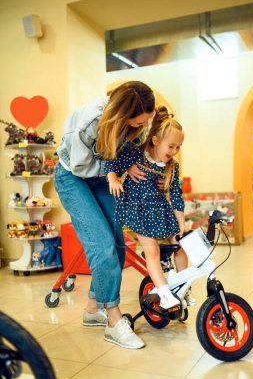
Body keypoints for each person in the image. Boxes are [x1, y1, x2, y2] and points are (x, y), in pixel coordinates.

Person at [54, 81, 156, 350]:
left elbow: (122, 154)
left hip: (101, 177)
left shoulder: (135, 123)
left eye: (146, 122)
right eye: (136, 123)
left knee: (118, 245)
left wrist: (128, 163)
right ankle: (113, 320)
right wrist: (115, 167)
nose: (139, 128)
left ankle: (92, 308)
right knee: (102, 246)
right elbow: (81, 166)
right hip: (73, 178)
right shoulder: (90, 122)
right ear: (123, 115)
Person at [105, 105, 196, 309]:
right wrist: (113, 178)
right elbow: (111, 163)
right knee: (152, 250)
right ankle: (164, 293)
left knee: (181, 244)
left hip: (159, 210)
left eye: (178, 148)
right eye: (170, 146)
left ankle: (183, 286)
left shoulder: (173, 167)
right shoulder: (136, 155)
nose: (173, 152)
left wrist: (181, 221)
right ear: (155, 139)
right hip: (137, 210)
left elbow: (175, 194)